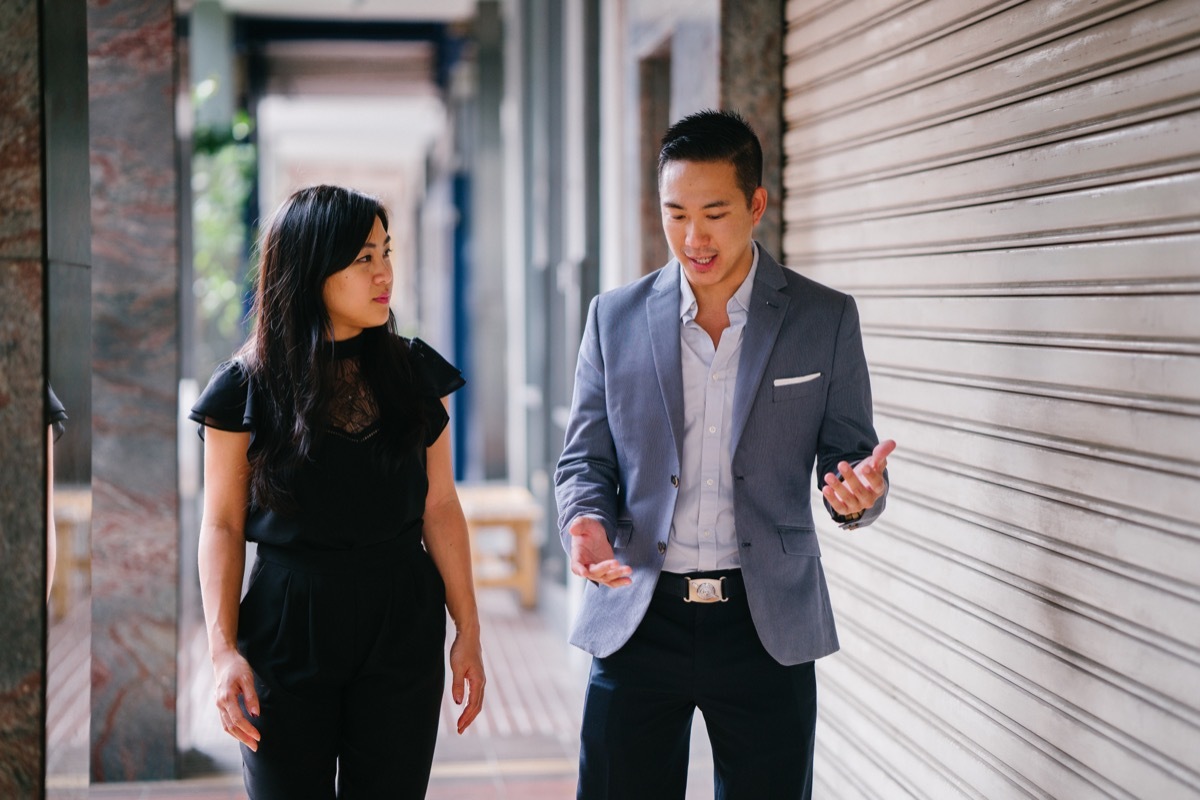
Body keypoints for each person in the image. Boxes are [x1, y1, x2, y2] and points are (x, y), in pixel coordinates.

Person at [555, 109, 896, 799]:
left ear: (757, 205)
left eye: (713, 213)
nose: (692, 237)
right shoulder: (613, 318)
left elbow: (851, 459)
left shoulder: (823, 318)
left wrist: (858, 498)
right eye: (675, 213)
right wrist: (584, 519)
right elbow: (585, 459)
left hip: (763, 623)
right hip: (638, 617)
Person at [191, 184, 485, 799]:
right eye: (363, 259)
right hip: (286, 621)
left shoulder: (413, 374)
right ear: (310, 270)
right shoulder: (245, 388)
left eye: (387, 252)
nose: (385, 274)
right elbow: (220, 523)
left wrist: (469, 631)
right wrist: (222, 652)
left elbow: (440, 505)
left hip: (401, 614)